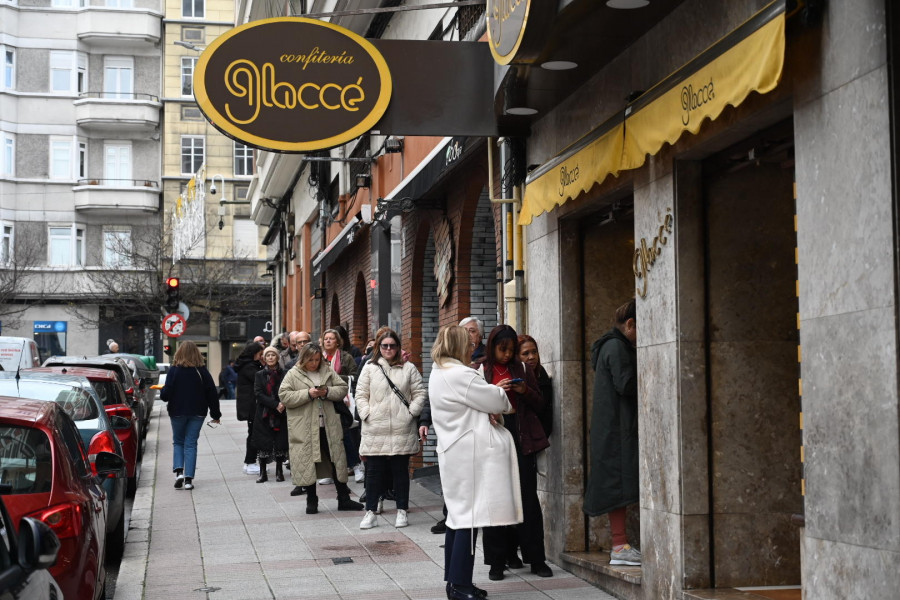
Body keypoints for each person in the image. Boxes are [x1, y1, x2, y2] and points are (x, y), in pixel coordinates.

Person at [428, 325, 521, 600]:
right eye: (467, 344)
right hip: (469, 455)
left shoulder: (438, 372)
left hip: (455, 452)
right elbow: (498, 400)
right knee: (468, 519)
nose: (472, 347)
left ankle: (455, 581)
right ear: (458, 346)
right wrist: (496, 393)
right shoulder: (461, 374)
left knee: (457, 519)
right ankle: (460, 586)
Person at [480, 324, 553, 580]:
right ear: (492, 347)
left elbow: (539, 403)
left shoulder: (522, 369)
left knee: (528, 500)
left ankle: (536, 559)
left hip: (522, 437)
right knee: (496, 500)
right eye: (502, 349)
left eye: (511, 350)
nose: (507, 354)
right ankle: (496, 562)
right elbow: (475, 407)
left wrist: (524, 390)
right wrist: (495, 391)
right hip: (494, 436)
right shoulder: (481, 370)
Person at [584, 299, 640, 566]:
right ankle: (619, 545)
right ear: (630, 324)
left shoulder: (611, 345)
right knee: (617, 483)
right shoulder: (617, 347)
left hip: (613, 428)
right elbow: (627, 384)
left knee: (617, 483)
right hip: (617, 429)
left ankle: (621, 543)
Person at [278, 343, 364, 514]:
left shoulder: (327, 371)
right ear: (303, 359)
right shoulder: (293, 373)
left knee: (336, 460)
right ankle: (311, 500)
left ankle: (343, 499)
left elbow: (342, 389)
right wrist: (308, 394)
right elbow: (284, 395)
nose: (314, 363)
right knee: (308, 461)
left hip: (329, 424)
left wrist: (326, 392)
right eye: (311, 360)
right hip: (305, 427)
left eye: (317, 359)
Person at [355, 329, 426, 529]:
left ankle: (402, 510)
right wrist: (366, 413)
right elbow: (360, 393)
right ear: (378, 347)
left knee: (400, 472)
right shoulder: (370, 367)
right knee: (374, 472)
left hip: (401, 427)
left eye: (392, 345)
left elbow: (420, 392)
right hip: (375, 426)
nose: (388, 349)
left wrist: (411, 413)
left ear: (398, 347)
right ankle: (370, 511)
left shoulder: (408, 368)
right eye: (384, 345)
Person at [160, 340, 221, 491]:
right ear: (197, 353)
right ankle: (188, 480)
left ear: (179, 352)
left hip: (177, 412)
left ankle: (179, 472)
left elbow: (165, 395)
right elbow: (212, 393)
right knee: (191, 444)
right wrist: (216, 414)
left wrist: (163, 392)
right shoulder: (202, 371)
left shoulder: (174, 371)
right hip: (198, 412)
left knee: (178, 441)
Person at [321, 328, 358, 485]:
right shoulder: (318, 357)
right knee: (325, 436)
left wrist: (333, 377)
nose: (328, 341)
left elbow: (355, 376)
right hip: (323, 401)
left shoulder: (346, 357)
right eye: (325, 339)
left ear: (338, 341)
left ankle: (355, 465)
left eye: (331, 338)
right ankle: (328, 471)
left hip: (342, 400)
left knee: (345, 434)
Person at [252, 346, 289, 483]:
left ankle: (279, 471)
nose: (271, 358)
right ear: (264, 358)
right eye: (268, 356)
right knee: (263, 442)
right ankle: (263, 472)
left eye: (273, 355)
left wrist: (282, 403)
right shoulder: (259, 374)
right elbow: (258, 394)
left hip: (281, 413)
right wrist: (275, 404)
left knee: (280, 442)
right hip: (265, 414)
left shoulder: (285, 373)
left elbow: (288, 390)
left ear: (277, 357)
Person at [235, 341, 264, 475]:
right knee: (253, 434)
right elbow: (261, 380)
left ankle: (250, 462)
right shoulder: (249, 367)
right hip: (251, 406)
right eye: (260, 354)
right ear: (254, 354)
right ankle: (250, 462)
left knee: (253, 433)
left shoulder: (248, 365)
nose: (262, 356)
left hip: (250, 406)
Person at [518, 335, 553, 438]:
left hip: (538, 436)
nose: (532, 357)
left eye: (534, 352)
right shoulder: (514, 376)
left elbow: (544, 407)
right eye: (525, 353)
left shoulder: (541, 373)